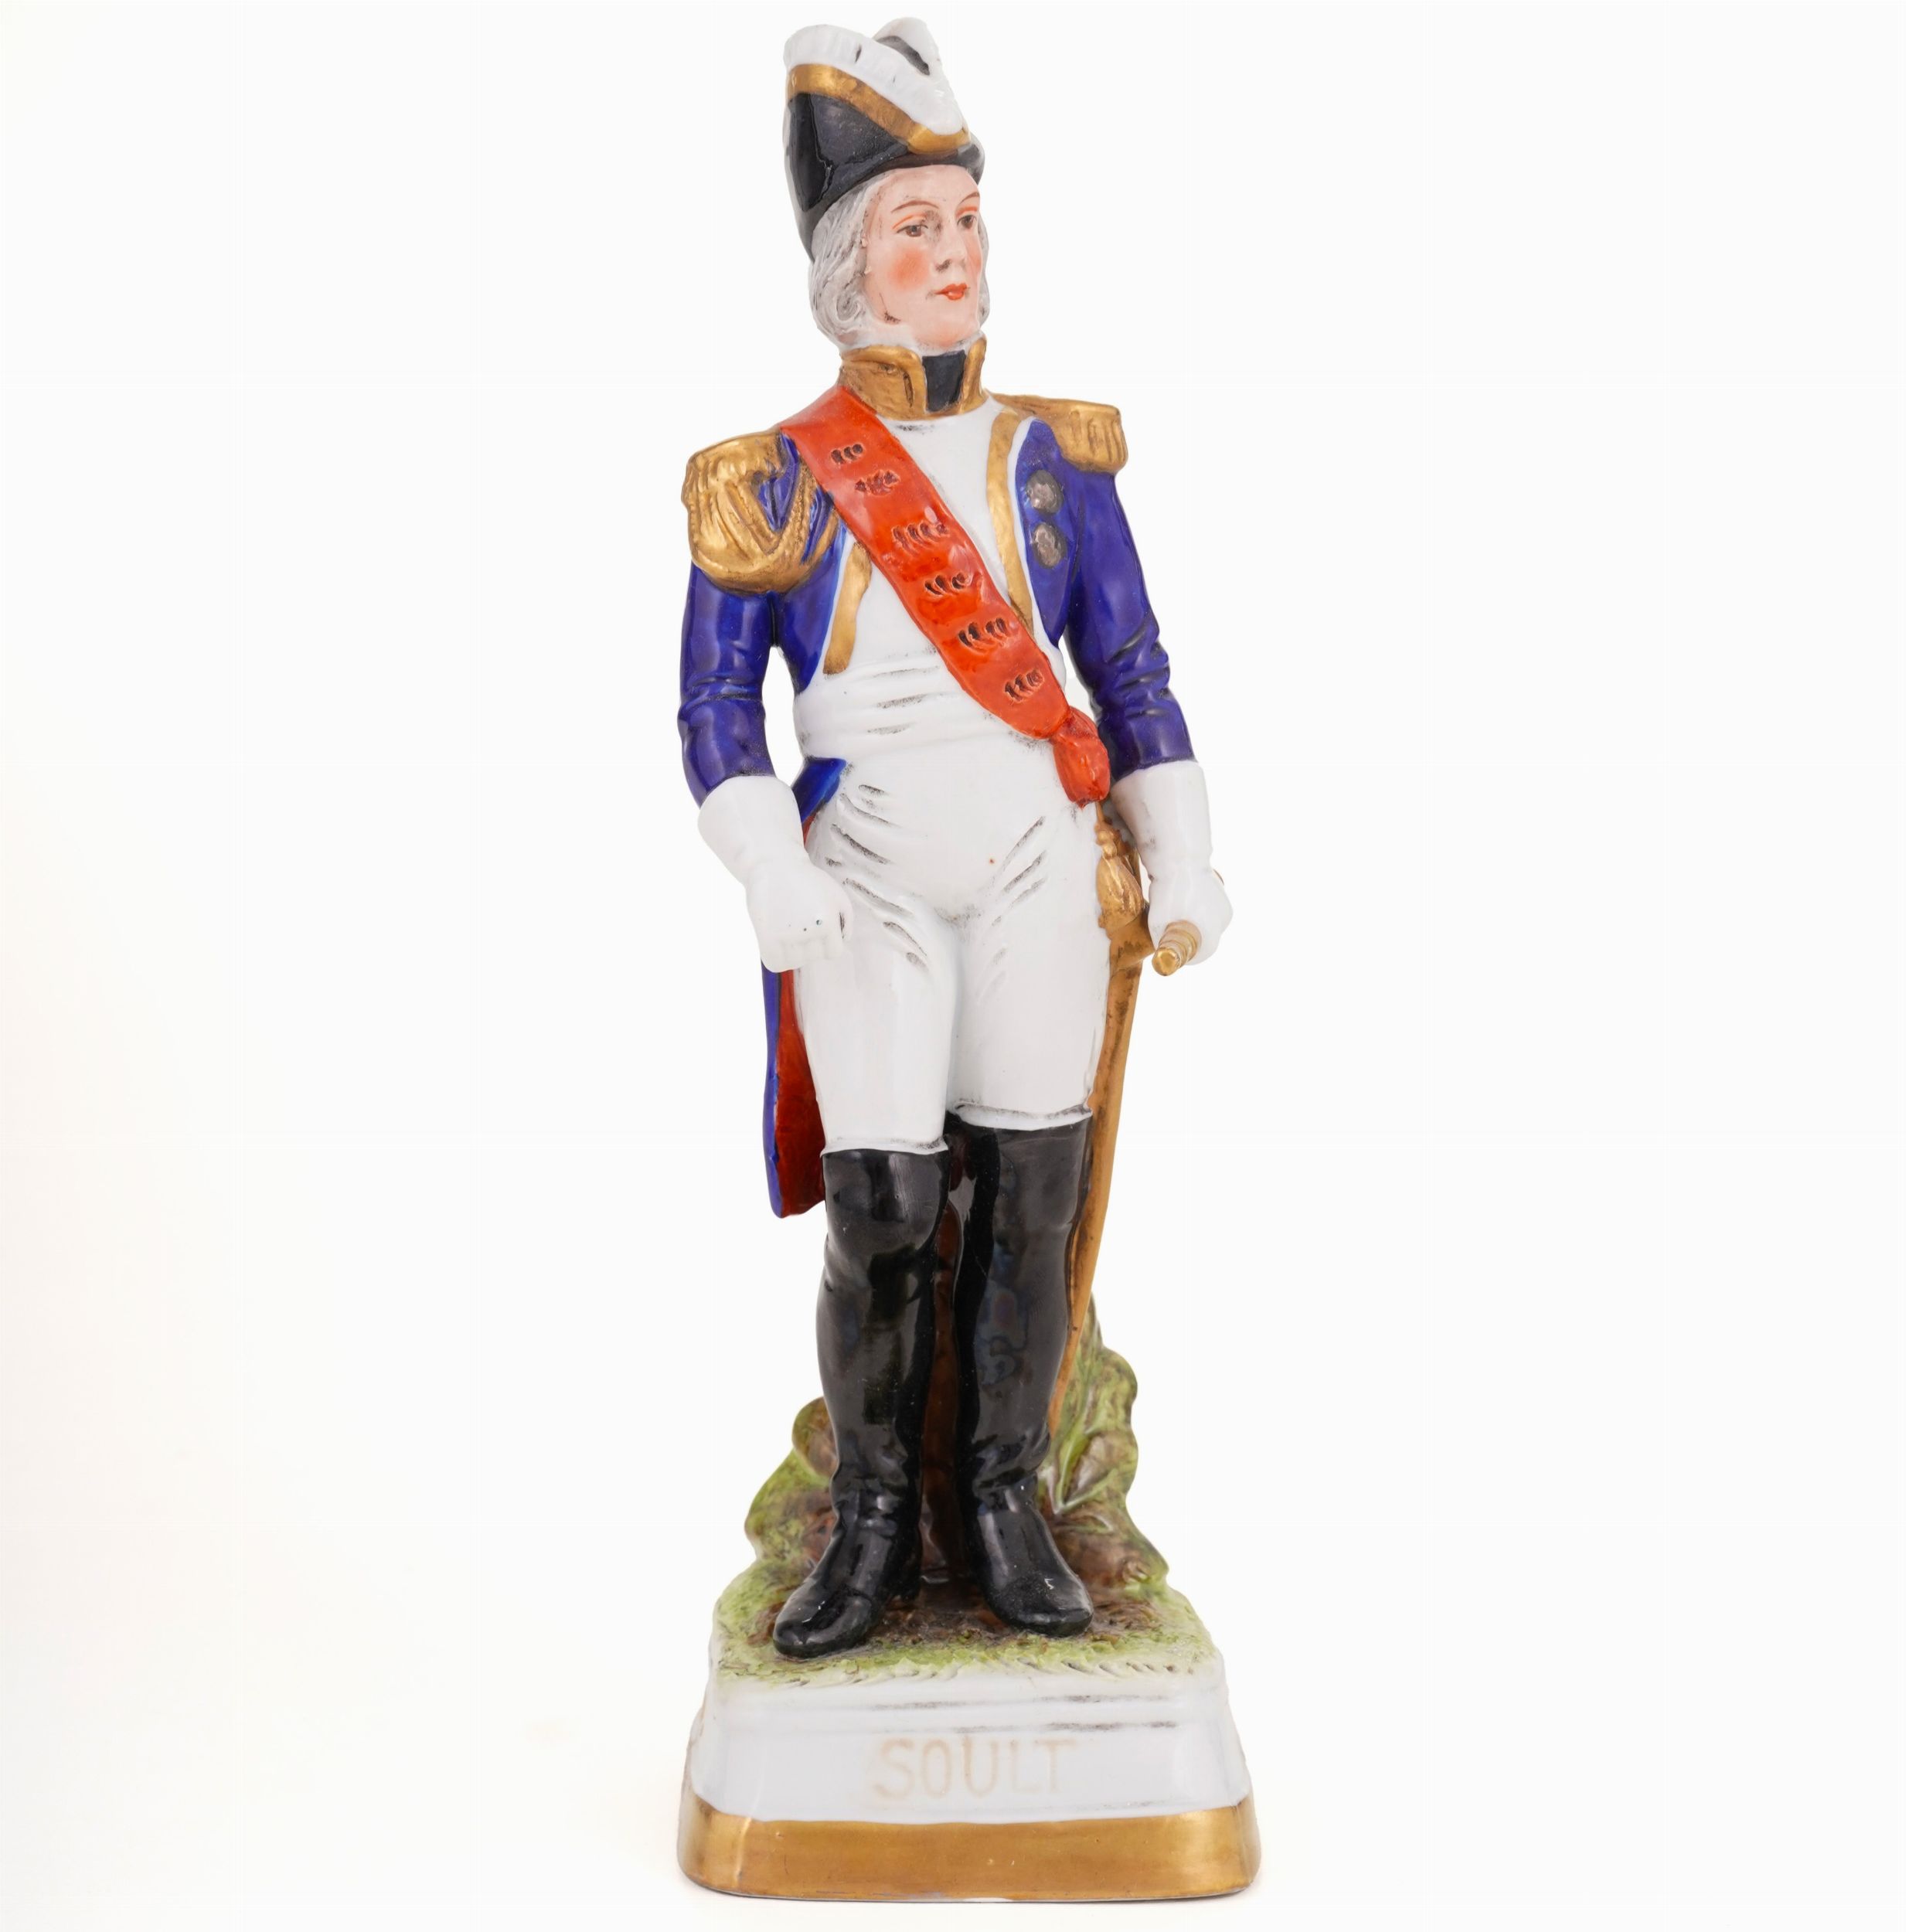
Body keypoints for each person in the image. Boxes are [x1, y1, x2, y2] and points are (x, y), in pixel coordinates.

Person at [678, 16, 1230, 1660]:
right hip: (865, 873)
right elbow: (714, 709)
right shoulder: (771, 479)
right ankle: (870, 1519)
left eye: (968, 220)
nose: (957, 253)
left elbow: (1129, 668)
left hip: (1037, 862)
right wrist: (768, 864)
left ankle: (998, 1500)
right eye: (917, 225)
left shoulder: (1055, 457)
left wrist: (1182, 851)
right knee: (884, 1205)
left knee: (1033, 1189)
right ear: (849, 263)